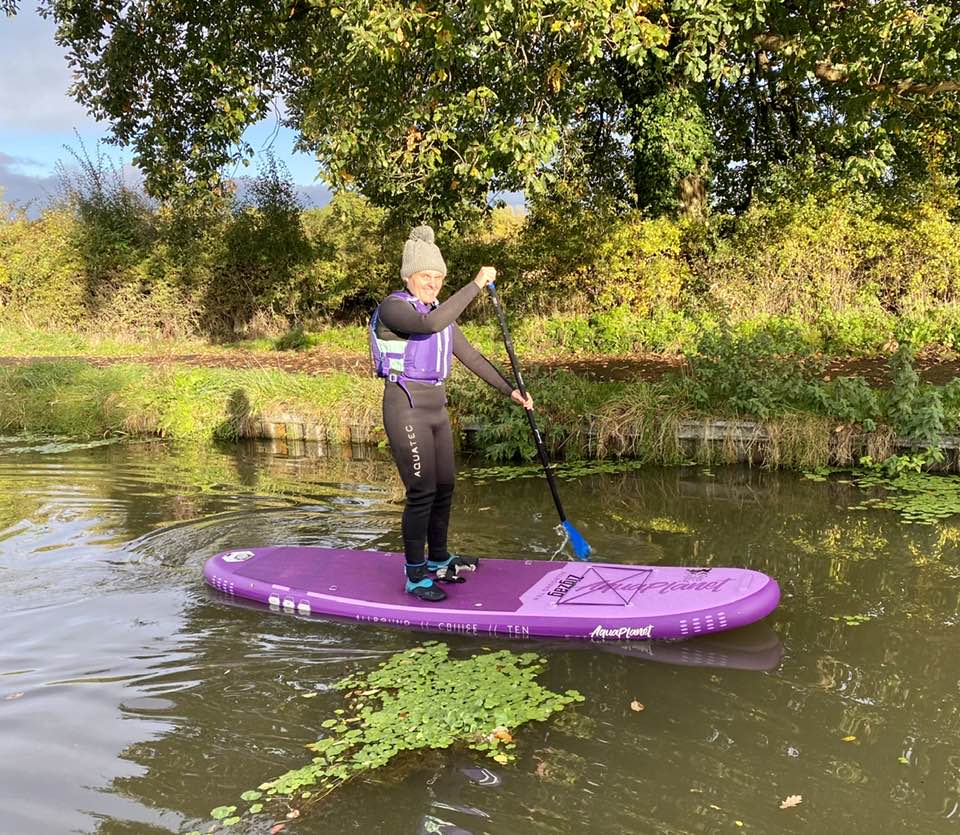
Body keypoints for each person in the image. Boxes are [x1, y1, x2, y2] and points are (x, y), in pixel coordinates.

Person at [370, 225, 533, 602]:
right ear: (409, 275)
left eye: (439, 278)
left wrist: (511, 389)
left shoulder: (438, 313)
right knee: (422, 491)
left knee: (445, 487)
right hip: (405, 408)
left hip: (436, 409)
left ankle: (439, 559)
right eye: (427, 277)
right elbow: (429, 324)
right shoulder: (394, 308)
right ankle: (414, 574)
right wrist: (475, 285)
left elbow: (472, 357)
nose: (433, 284)